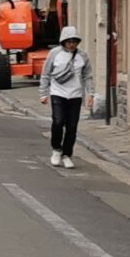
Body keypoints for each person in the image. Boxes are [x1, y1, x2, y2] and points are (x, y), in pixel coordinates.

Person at [40, 25, 89, 167]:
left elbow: (88, 76)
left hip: (75, 94)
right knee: (58, 121)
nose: (71, 44)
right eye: (69, 41)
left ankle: (67, 154)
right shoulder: (54, 53)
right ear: (63, 41)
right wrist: (43, 93)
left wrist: (90, 93)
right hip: (58, 92)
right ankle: (56, 149)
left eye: (74, 41)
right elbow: (46, 73)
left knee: (72, 126)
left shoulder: (82, 55)